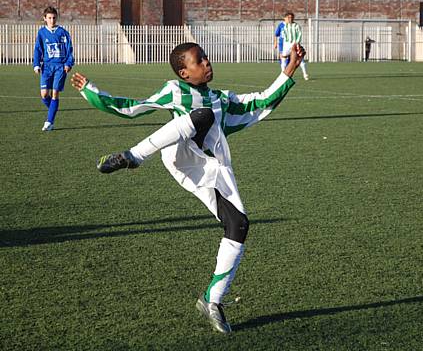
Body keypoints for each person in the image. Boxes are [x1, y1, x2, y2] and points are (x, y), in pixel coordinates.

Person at [70, 42, 306, 334]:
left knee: (239, 225)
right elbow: (133, 107)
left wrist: (291, 67)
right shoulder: (174, 90)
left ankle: (212, 300)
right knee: (202, 115)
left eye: (206, 57)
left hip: (210, 166)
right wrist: (91, 90)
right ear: (184, 73)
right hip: (180, 155)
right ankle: (132, 156)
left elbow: (261, 101)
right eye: (199, 61)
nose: (207, 63)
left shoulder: (221, 98)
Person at [33, 6, 74, 131]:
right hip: (46, 67)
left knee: (55, 92)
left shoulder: (63, 32)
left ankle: (49, 122)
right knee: (44, 95)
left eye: (54, 18)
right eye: (49, 18)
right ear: (45, 18)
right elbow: (38, 49)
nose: (52, 20)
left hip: (60, 67)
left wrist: (68, 63)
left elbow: (69, 50)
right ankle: (53, 109)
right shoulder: (41, 33)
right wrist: (36, 64)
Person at [280, 12, 309, 80]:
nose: (290, 19)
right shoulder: (285, 26)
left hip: (294, 44)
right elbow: (283, 34)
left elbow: (299, 34)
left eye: (291, 17)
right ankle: (283, 74)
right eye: (289, 17)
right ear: (286, 18)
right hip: (287, 44)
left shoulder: (296, 25)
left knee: (299, 59)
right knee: (283, 58)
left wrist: (297, 42)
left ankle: (305, 74)